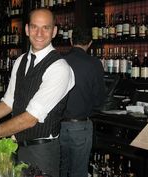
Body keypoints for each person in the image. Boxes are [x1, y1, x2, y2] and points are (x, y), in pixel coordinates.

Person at [0, 8, 75, 177]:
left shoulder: (59, 68)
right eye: (34, 27)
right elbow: (8, 103)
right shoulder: (20, 61)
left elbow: (30, 119)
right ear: (26, 29)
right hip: (15, 147)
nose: (39, 33)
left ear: (54, 31)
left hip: (41, 151)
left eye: (45, 27)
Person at [59, 27, 105, 177]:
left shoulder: (59, 60)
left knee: (59, 169)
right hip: (80, 126)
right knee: (78, 172)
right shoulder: (94, 63)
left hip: (56, 125)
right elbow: (99, 99)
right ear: (90, 43)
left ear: (71, 41)